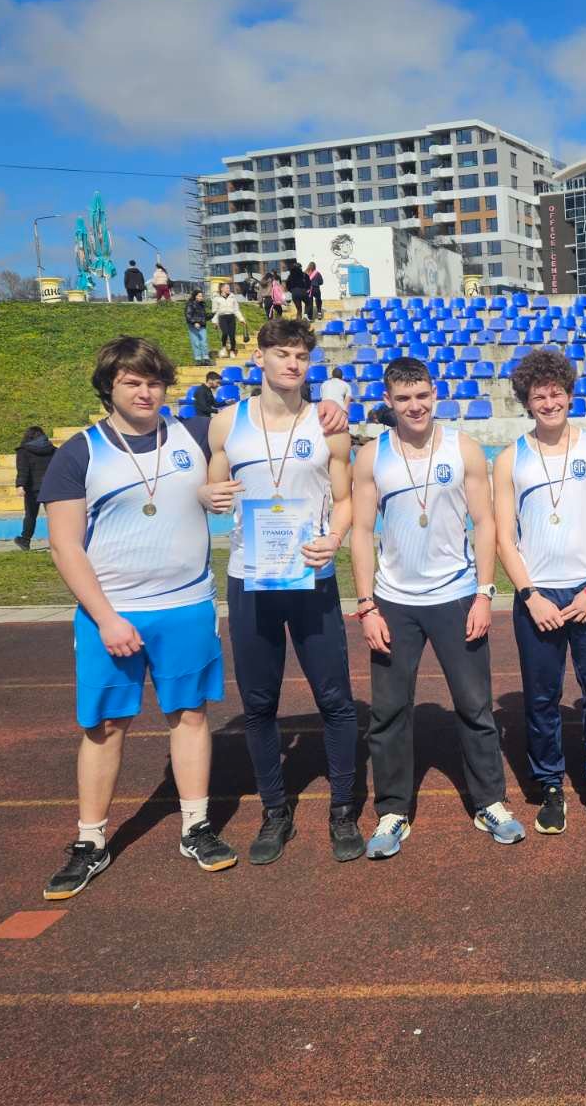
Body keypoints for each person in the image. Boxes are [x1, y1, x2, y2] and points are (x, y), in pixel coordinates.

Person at [37, 337, 236, 899]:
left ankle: (196, 826)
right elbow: (65, 547)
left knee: (190, 715)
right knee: (104, 726)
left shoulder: (194, 433)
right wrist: (105, 618)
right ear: (109, 387)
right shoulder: (79, 453)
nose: (145, 392)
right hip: (112, 613)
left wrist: (328, 410)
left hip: (186, 605)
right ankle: (91, 841)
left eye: (153, 382)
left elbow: (263, 418)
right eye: (132, 382)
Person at [349, 357, 524, 858]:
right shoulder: (373, 455)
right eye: (404, 398)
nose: (415, 406)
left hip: (456, 596)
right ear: (388, 401)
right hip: (394, 601)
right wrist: (367, 605)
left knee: (474, 706)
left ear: (435, 394)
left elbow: (485, 522)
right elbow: (361, 530)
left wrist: (485, 593)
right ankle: (393, 810)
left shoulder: (462, 447)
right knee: (388, 712)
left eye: (422, 395)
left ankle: (490, 802)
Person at [206, 317, 362, 865]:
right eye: (282, 353)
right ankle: (275, 811)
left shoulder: (329, 424)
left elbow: (345, 499)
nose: (292, 363)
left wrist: (335, 538)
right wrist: (207, 495)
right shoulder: (226, 423)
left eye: (301, 355)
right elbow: (212, 489)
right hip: (251, 576)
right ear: (260, 358)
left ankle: (343, 810)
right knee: (258, 703)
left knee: (335, 699)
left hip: (311, 575)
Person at [493, 349, 586, 836]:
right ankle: (550, 785)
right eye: (538, 396)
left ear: (570, 394)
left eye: (556, 393)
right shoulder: (510, 458)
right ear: (527, 402)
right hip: (538, 597)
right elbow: (504, 537)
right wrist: (530, 595)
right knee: (542, 697)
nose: (549, 403)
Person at [14, 424, 55, 551]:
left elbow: (23, 470)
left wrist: (20, 485)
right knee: (54, 516)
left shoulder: (23, 451)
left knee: (31, 515)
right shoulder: (53, 450)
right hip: (51, 486)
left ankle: (25, 540)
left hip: (32, 488)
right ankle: (59, 541)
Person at [212, 282, 247, 359]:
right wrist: (214, 322)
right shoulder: (216, 299)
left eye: (229, 288)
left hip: (231, 317)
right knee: (224, 333)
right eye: (227, 288)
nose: (229, 289)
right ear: (222, 289)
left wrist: (241, 319)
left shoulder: (233, 298)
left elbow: (236, 310)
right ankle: (224, 347)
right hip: (222, 317)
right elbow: (215, 312)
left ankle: (232, 351)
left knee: (232, 335)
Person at [184, 288, 211, 365]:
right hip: (193, 326)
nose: (201, 297)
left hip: (202, 325)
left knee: (204, 342)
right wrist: (194, 323)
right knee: (196, 342)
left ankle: (206, 358)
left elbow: (204, 316)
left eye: (201, 296)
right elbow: (188, 315)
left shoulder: (202, 305)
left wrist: (212, 315)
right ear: (195, 296)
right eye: (199, 296)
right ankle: (198, 359)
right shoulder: (190, 304)